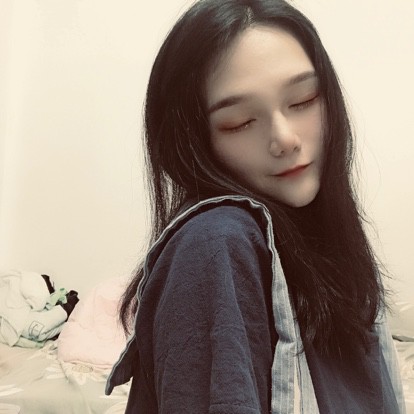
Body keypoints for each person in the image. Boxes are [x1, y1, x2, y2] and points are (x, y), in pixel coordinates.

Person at [106, 0, 405, 412]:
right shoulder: (216, 243)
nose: (285, 138)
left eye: (303, 100)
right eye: (240, 122)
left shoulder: (326, 232)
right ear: (195, 143)